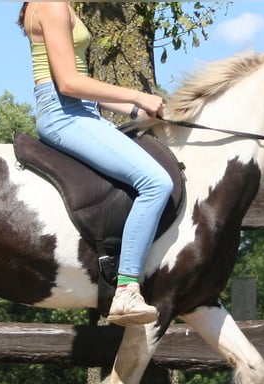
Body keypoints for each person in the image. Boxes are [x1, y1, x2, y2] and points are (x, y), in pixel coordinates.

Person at [18, 2, 174, 327]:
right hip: (64, 114)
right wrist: (138, 96)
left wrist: (134, 113)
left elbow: (81, 88)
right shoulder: (51, 6)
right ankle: (126, 290)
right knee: (156, 184)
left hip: (81, 111)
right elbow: (69, 84)